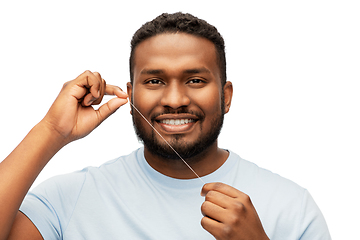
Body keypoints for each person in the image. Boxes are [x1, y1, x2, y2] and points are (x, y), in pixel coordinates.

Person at [0, 12, 331, 240]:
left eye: (196, 80)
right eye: (155, 80)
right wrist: (51, 131)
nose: (175, 99)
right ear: (130, 96)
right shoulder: (68, 199)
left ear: (226, 97)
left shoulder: (292, 207)